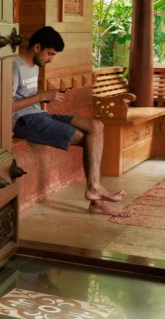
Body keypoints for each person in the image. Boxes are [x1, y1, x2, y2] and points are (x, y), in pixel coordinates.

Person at [12, 26, 122, 214]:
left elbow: (25, 97)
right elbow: (7, 105)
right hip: (23, 121)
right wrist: (42, 96)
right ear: (37, 47)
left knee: (96, 126)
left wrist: (44, 97)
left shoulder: (34, 66)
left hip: (39, 115)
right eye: (50, 54)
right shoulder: (15, 66)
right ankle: (95, 195)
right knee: (89, 140)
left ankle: (94, 189)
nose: (51, 59)